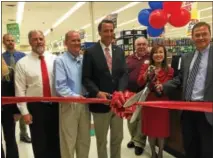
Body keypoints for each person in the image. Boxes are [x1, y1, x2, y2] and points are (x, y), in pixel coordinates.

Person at [158, 22, 212, 158]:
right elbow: (180, 78)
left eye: (204, 34)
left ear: (210, 35)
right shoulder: (186, 57)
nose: (200, 38)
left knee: (207, 149)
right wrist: (163, 86)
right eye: (197, 35)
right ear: (192, 38)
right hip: (187, 110)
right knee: (189, 146)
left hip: (207, 112)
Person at [82, 19, 128, 158]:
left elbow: (124, 74)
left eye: (111, 30)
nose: (109, 34)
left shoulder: (119, 51)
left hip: (118, 104)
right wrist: (96, 93)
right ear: (99, 32)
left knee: (118, 138)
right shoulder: (90, 52)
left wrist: (120, 90)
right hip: (100, 105)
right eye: (106, 31)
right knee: (101, 140)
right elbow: (86, 78)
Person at [15, 30, 60, 158]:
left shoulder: (55, 59)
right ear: (30, 42)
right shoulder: (22, 63)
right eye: (35, 39)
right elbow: (20, 90)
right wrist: (24, 112)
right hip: (36, 108)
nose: (39, 42)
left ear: (44, 40)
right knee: (39, 142)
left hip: (56, 106)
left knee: (56, 140)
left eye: (41, 38)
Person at [54, 30, 90, 158]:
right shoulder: (60, 61)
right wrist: (76, 97)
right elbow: (60, 87)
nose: (76, 43)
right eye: (73, 40)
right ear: (65, 43)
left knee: (84, 140)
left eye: (78, 40)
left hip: (85, 104)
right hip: (69, 105)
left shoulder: (84, 59)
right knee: (68, 141)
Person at [137, 45, 174, 158]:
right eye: (155, 52)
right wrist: (146, 74)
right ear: (152, 55)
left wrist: (161, 85)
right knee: (151, 130)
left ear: (164, 54)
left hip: (162, 103)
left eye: (161, 52)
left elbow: (169, 85)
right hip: (149, 102)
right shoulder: (146, 66)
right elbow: (139, 83)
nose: (158, 55)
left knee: (161, 130)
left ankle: (161, 152)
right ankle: (153, 152)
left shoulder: (169, 70)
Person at [2, 33, 31, 144]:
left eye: (12, 40)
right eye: (8, 40)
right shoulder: (2, 58)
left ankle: (23, 134)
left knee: (23, 110)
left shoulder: (22, 55)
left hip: (22, 88)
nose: (11, 42)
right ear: (4, 43)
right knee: (10, 115)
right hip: (8, 90)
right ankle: (11, 136)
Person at [125, 37, 149, 155]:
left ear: (147, 45)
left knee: (141, 119)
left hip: (144, 92)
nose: (141, 46)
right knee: (130, 118)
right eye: (139, 44)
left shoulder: (151, 58)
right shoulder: (129, 58)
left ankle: (139, 143)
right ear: (135, 46)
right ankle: (133, 138)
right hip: (129, 92)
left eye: (143, 44)